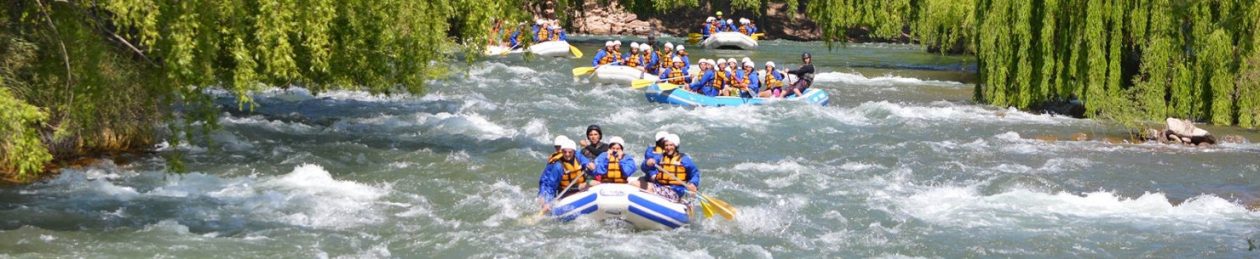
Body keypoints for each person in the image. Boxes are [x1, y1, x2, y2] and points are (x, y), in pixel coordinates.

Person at [639, 134, 700, 202]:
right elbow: (644, 168)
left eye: (671, 145)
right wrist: (647, 163)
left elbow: (694, 173)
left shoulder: (684, 160)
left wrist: (693, 183)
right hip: (659, 186)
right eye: (666, 145)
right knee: (634, 183)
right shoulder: (660, 157)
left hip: (676, 190)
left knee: (648, 189)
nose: (668, 147)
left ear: (676, 146)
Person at [537, 138, 591, 212]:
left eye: (569, 152)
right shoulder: (557, 165)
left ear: (574, 152)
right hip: (565, 189)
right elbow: (549, 185)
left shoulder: (578, 156)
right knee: (544, 199)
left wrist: (591, 166)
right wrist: (547, 200)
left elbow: (586, 163)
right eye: (564, 152)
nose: (567, 154)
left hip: (576, 185)